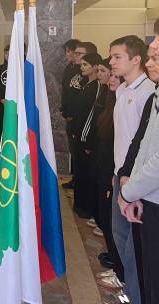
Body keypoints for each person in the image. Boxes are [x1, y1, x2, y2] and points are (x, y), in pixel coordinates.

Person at [110, 35, 154, 304]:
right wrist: (117, 172)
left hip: (138, 181)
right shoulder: (122, 90)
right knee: (120, 235)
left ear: (136, 59)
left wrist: (132, 179)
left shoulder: (147, 92)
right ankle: (129, 289)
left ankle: (136, 295)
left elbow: (144, 144)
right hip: (121, 174)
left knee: (134, 247)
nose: (112, 62)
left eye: (118, 57)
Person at [93, 59, 125, 290]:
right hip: (105, 166)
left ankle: (119, 268)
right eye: (110, 74)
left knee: (114, 222)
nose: (110, 79)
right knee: (107, 218)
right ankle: (114, 258)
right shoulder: (110, 100)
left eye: (115, 75)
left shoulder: (125, 103)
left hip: (115, 170)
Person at [71, 52, 105, 219]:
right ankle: (79, 205)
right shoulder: (87, 84)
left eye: (85, 65)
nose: (82, 67)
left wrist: (85, 139)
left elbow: (91, 116)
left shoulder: (97, 87)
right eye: (82, 64)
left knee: (85, 174)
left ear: (95, 67)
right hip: (79, 134)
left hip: (85, 138)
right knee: (79, 172)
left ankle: (85, 208)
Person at [60, 39, 85, 189]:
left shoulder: (82, 71)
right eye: (68, 52)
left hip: (78, 117)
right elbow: (66, 92)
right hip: (69, 115)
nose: (69, 55)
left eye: (72, 52)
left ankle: (79, 180)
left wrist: (73, 113)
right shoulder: (69, 69)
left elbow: (79, 96)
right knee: (73, 149)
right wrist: (65, 110)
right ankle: (75, 178)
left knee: (78, 150)